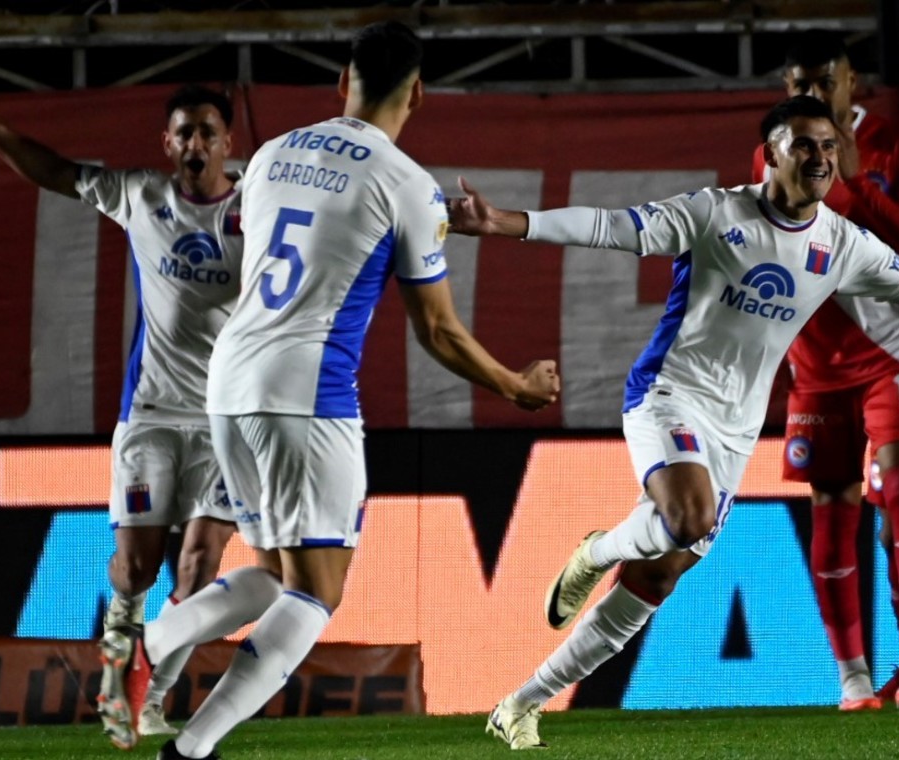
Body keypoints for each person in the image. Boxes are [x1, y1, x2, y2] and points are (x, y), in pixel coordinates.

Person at [447, 95, 899, 749]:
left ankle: (522, 703)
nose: (821, 158)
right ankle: (597, 550)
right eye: (805, 146)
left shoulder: (842, 243)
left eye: (829, 146)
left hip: (736, 431)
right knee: (688, 518)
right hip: (670, 395)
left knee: (657, 578)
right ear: (771, 155)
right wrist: (503, 221)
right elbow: (606, 227)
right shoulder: (715, 213)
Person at [95, 22, 560, 760]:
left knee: (281, 577)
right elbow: (437, 331)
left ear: (342, 82)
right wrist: (514, 383)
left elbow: (293, 239)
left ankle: (157, 670)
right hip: (307, 395)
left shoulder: (273, 154)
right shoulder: (406, 182)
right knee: (317, 595)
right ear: (418, 93)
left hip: (228, 384)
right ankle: (172, 697)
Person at [0, 83, 244, 744]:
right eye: (184, 133)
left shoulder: (259, 206)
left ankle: (152, 692)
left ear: (228, 142)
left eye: (207, 131)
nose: (195, 143)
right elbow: (56, 171)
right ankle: (121, 622)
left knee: (201, 569)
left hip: (228, 419)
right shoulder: (142, 196)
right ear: (166, 145)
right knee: (140, 569)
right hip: (151, 414)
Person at [753, 30, 899, 709]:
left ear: (850, 83)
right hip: (816, 355)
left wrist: (857, 184)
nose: (811, 92)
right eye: (798, 81)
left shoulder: (897, 146)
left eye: (823, 80)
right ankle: (853, 678)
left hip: (894, 347)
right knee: (833, 510)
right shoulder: (772, 150)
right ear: (786, 87)